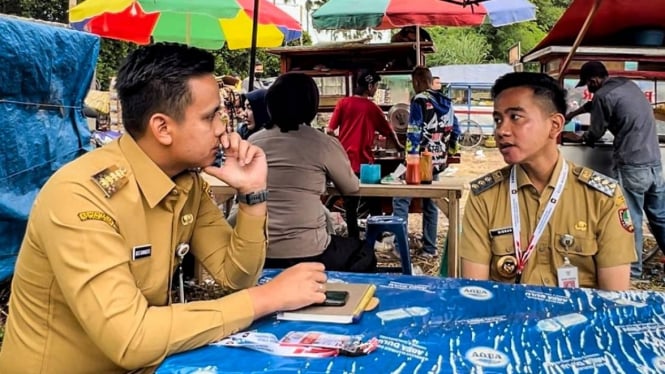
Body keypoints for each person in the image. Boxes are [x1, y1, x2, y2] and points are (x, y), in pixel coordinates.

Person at [0, 43, 329, 374]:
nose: (222, 128)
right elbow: (131, 338)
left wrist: (252, 193)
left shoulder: (185, 184)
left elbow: (236, 276)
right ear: (162, 128)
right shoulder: (80, 196)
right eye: (210, 115)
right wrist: (269, 298)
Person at [460, 71, 636, 291]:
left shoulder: (603, 198)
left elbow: (614, 299)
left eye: (515, 117)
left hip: (579, 324)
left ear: (555, 125)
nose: (501, 131)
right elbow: (476, 294)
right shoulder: (484, 197)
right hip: (509, 323)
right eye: (498, 120)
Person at [250, 72, 376, 272]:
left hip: (258, 252)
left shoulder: (252, 141)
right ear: (311, 106)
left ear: (270, 103)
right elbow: (351, 187)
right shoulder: (322, 143)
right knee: (364, 252)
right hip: (309, 250)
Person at [566, 61, 665, 279]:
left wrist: (580, 137)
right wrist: (573, 114)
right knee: (659, 217)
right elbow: (598, 107)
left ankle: (633, 272)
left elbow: (596, 133)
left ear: (594, 81)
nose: (587, 90)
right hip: (654, 163)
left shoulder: (602, 96)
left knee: (632, 219)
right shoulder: (626, 85)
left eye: (587, 86)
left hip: (632, 164)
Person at [392, 66, 461, 257]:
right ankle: (429, 249)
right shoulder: (447, 102)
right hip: (437, 161)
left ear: (416, 82)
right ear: (431, 81)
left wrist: (410, 158)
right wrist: (449, 151)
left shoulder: (420, 100)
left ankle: (400, 248)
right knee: (431, 204)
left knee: (400, 201)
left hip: (418, 159)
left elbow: (414, 131)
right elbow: (456, 130)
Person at [326, 71, 403, 239]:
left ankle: (353, 239)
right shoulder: (372, 108)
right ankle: (376, 238)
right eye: (375, 86)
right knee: (373, 202)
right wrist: (399, 146)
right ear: (369, 86)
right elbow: (389, 132)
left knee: (350, 204)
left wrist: (341, 143)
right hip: (366, 165)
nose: (376, 89)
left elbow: (330, 130)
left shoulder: (343, 103)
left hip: (344, 163)